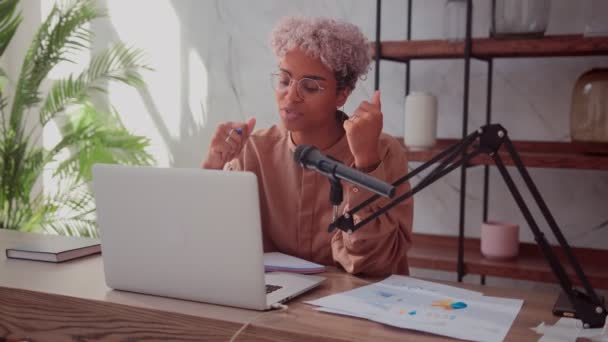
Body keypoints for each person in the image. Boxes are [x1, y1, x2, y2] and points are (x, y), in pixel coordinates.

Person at [201, 16, 412, 276]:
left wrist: (365, 162)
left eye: (310, 87)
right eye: (284, 81)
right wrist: (212, 166)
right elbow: (211, 243)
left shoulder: (383, 151)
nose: (290, 97)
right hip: (279, 309)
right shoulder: (253, 151)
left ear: (342, 95)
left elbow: (371, 263)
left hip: (360, 306)